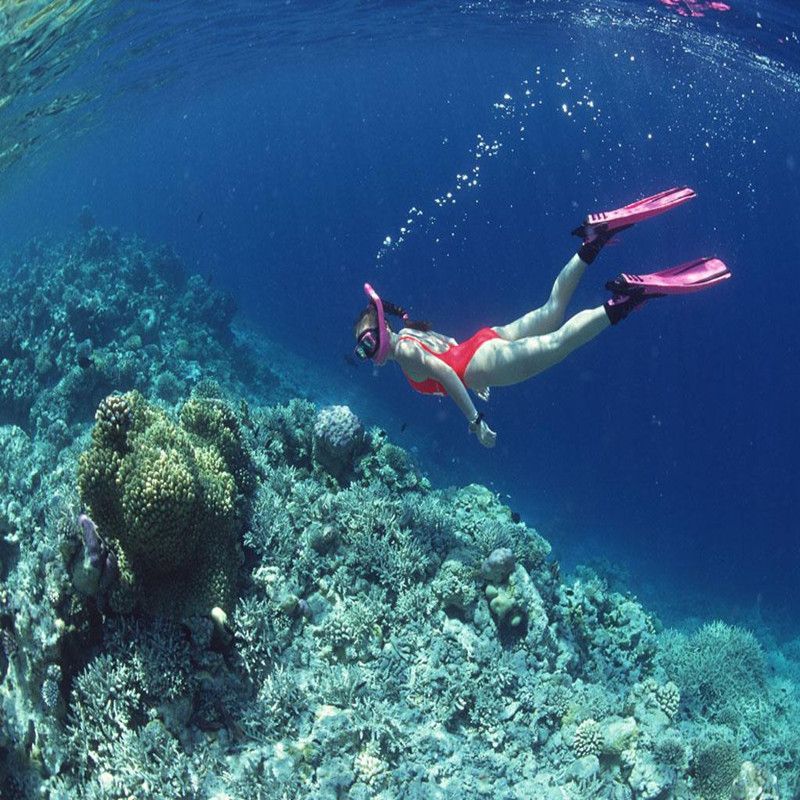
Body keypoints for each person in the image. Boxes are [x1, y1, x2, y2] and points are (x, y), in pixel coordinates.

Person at [354, 187, 730, 448]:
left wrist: (475, 421)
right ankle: (593, 242)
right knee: (552, 310)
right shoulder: (409, 333)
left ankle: (624, 301)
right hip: (484, 342)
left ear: (381, 330)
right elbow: (448, 347)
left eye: (367, 345)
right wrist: (472, 377)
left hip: (481, 363)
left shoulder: (404, 353)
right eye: (364, 350)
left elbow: (447, 374)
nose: (369, 354)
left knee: (559, 343)